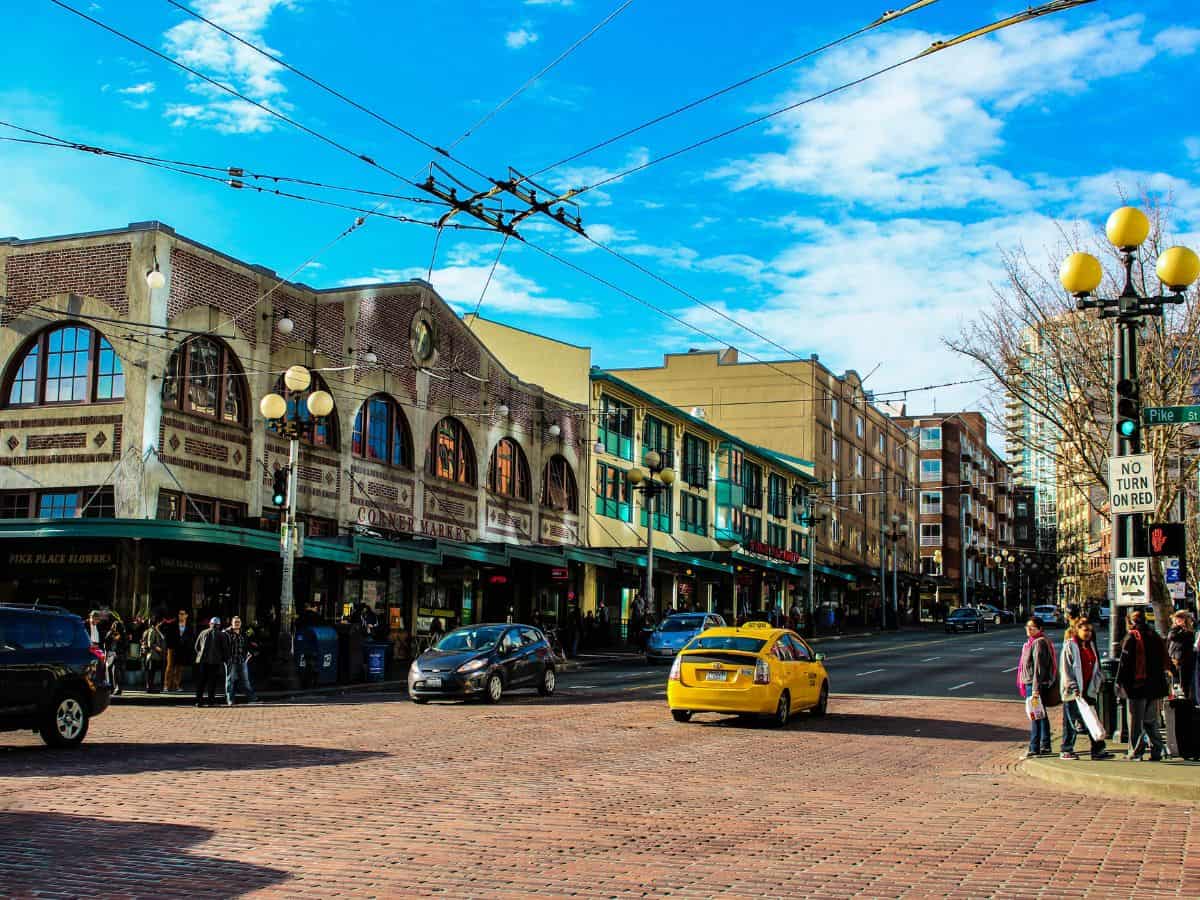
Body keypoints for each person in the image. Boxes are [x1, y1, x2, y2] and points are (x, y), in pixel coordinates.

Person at [1116, 609, 1169, 761]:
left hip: (1137, 686)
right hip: (1155, 685)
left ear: (1130, 622)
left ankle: (1135, 752)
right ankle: (1157, 749)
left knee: (1135, 722)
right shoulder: (1154, 635)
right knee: (1150, 721)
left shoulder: (1132, 637)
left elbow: (1124, 665)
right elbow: (1164, 658)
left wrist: (1119, 684)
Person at [1059, 620, 1112, 760]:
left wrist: (1098, 681)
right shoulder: (1070, 645)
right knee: (1071, 723)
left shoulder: (1091, 646)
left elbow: (1096, 667)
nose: (1088, 633)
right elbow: (1066, 669)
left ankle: (1098, 749)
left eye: (1090, 630)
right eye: (1085, 630)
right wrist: (1073, 686)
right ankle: (1066, 749)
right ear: (1077, 630)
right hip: (1073, 692)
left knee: (1091, 719)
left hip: (1088, 690)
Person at [1017, 616, 1057, 759]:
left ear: (1040, 629)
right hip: (1034, 685)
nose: (1028, 629)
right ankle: (1045, 744)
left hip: (1034, 686)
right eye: (1027, 626)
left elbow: (1038, 669)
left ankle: (1035, 747)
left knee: (1035, 716)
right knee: (1041, 715)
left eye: (1032, 627)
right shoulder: (1033, 642)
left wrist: (1035, 689)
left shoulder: (1038, 643)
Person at [1165, 610, 1198, 760]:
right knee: (1177, 689)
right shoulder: (1177, 631)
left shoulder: (1187, 632)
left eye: (1180, 619)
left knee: (1184, 689)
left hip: (1184, 664)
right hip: (1176, 663)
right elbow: (1170, 639)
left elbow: (1179, 639)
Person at [222, 616, 257, 706]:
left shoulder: (244, 633)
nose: (237, 623)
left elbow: (248, 644)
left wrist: (250, 654)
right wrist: (226, 658)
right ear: (232, 623)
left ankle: (252, 698)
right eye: (235, 622)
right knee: (230, 680)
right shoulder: (226, 633)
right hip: (231, 660)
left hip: (242, 660)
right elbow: (223, 647)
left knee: (246, 680)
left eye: (238, 622)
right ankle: (230, 700)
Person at [194, 616, 226, 707]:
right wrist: (224, 659)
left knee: (201, 681)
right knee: (212, 682)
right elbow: (225, 649)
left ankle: (198, 701)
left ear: (210, 624)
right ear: (219, 625)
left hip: (202, 661)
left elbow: (196, 647)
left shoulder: (203, 632)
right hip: (215, 662)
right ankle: (210, 701)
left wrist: (200, 655)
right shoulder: (221, 635)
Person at [163, 609, 195, 693]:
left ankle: (176, 685)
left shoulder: (189, 626)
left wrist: (188, 647)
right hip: (172, 648)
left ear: (186, 615)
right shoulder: (173, 624)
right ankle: (166, 685)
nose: (180, 615)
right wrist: (168, 646)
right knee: (170, 666)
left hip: (182, 649)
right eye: (179, 614)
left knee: (179, 668)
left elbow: (190, 637)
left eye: (182, 614)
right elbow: (167, 635)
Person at [140, 618, 165, 693]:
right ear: (157, 623)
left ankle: (150, 687)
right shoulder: (152, 631)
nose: (161, 624)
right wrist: (159, 649)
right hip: (152, 654)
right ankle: (149, 688)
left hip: (152, 654)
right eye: (159, 623)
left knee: (151, 671)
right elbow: (150, 643)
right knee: (151, 671)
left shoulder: (153, 630)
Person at [104, 618, 127, 696]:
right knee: (112, 671)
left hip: (118, 655)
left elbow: (125, 645)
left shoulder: (122, 635)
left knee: (116, 672)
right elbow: (106, 644)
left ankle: (117, 688)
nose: (116, 628)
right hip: (113, 655)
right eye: (115, 627)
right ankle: (113, 688)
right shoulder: (111, 634)